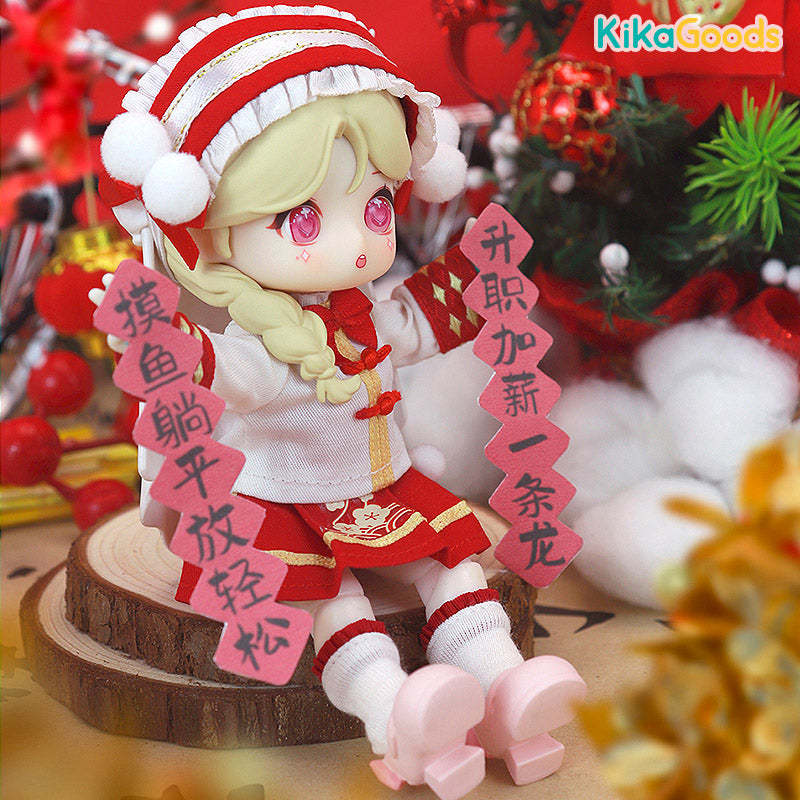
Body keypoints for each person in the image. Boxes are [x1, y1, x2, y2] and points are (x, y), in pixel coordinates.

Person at [97, 7, 586, 798]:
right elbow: (218, 368)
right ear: (211, 233)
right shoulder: (260, 347)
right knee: (334, 600)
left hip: (380, 486)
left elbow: (421, 319)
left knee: (451, 562)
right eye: (301, 217)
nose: (358, 241)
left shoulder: (366, 314)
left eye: (377, 205)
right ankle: (394, 712)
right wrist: (161, 336)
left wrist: (485, 273)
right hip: (285, 504)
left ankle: (501, 684)